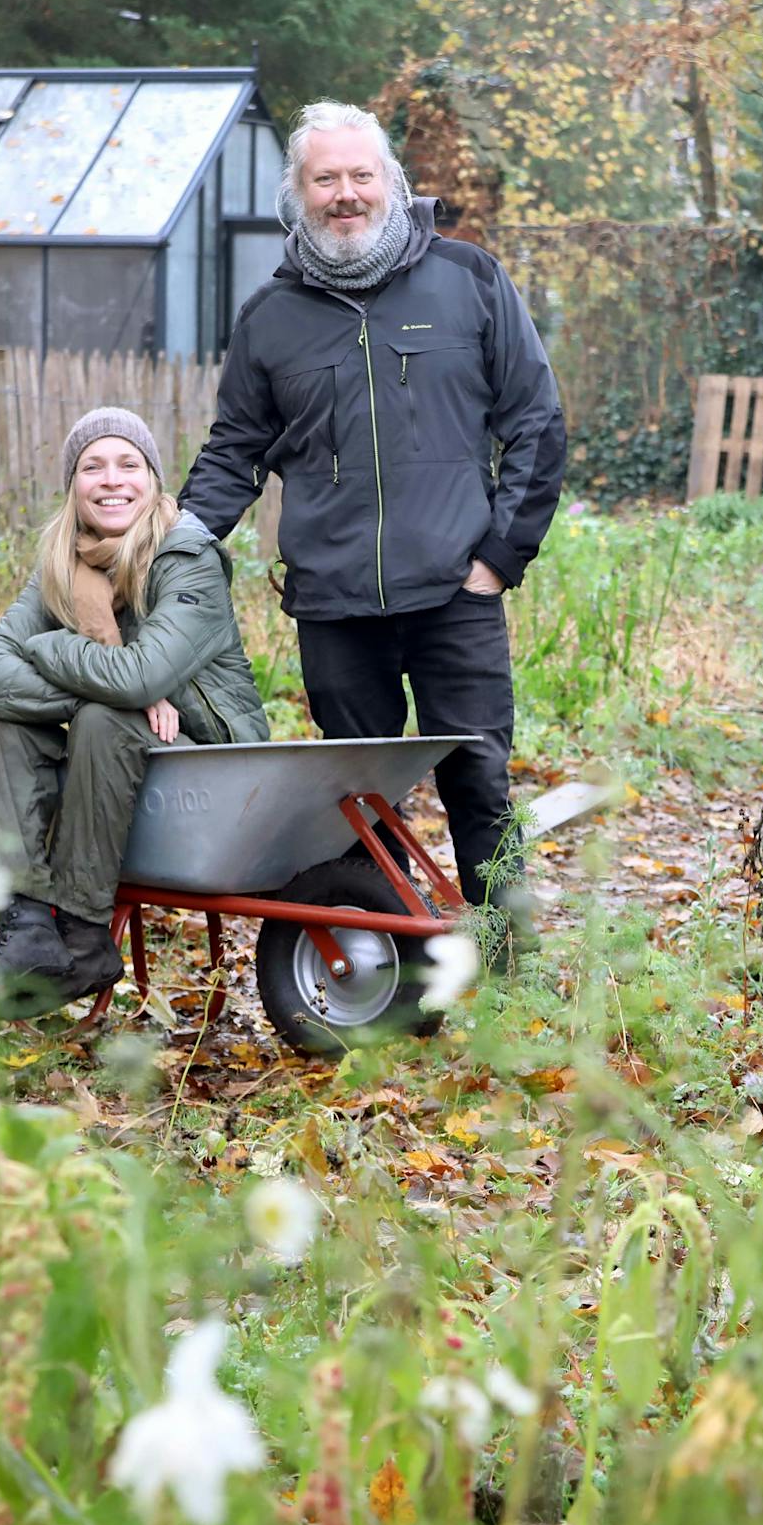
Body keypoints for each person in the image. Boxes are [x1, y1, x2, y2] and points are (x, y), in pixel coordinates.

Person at [179, 100, 566, 916]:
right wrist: (171, 545)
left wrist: (500, 559)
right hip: (333, 601)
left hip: (456, 593)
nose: (344, 194)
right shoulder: (270, 319)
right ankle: (382, 967)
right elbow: (234, 451)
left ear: (390, 180)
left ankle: (506, 966)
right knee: (359, 797)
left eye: (360, 175)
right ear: (299, 191)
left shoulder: (469, 281)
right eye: (326, 179)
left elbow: (535, 421)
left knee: (479, 778)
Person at [0, 407, 268, 1000]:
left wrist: (51, 646)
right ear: (73, 485)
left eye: (128, 464)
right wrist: (98, 691)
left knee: (108, 714)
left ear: (153, 479)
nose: (110, 480)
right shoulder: (61, 565)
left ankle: (82, 937)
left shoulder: (187, 559)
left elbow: (137, 678)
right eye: (92, 466)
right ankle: (27, 927)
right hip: (124, 756)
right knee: (8, 719)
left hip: (215, 767)